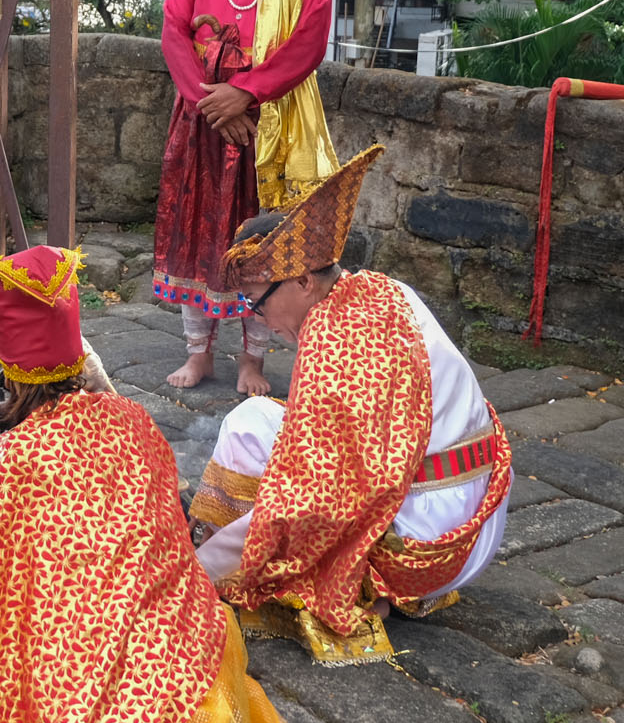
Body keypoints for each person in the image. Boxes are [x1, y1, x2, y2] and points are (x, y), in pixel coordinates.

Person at [0, 243, 348, 723]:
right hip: (191, 657)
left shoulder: (9, 462)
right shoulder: (135, 421)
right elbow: (165, 532)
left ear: (9, 369)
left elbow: (24, 598)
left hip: (97, 678)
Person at [189, 145, 511, 666]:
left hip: (429, 542)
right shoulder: (381, 290)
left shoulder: (335, 336)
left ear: (301, 280)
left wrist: (207, 572)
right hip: (479, 513)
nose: (260, 320)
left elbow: (314, 498)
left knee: (249, 423)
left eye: (258, 301)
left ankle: (342, 576)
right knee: (273, 426)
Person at [153, 0, 336, 397]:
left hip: (272, 129)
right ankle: (197, 352)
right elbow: (174, 31)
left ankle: (252, 361)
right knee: (199, 241)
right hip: (204, 125)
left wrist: (246, 94)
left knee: (263, 245)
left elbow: (308, 43)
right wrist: (211, 103)